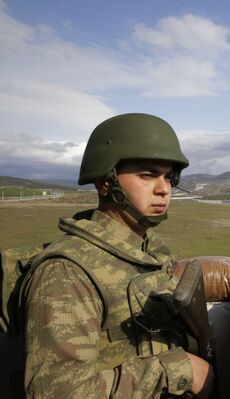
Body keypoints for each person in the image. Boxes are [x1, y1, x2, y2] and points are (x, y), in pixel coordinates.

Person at [22, 113, 213, 398]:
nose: (163, 189)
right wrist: (180, 370)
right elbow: (57, 392)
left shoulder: (148, 253)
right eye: (147, 175)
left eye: (168, 177)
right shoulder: (67, 271)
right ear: (105, 183)